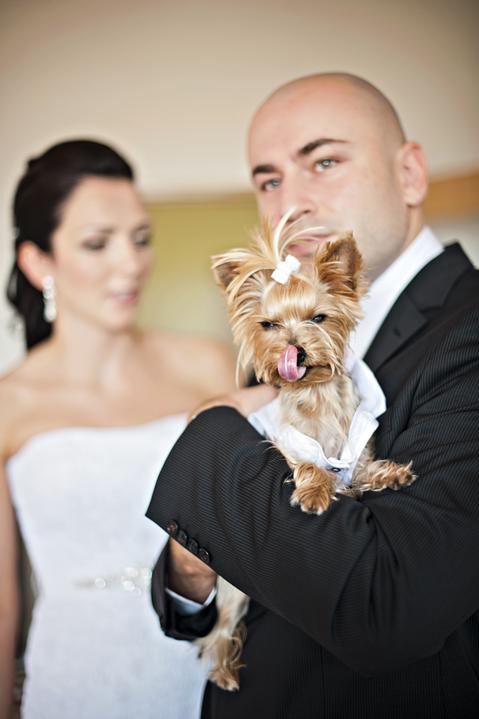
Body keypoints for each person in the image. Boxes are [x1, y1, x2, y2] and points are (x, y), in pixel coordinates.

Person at [146, 73, 479, 718]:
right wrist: (190, 569)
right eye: (268, 181)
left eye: (324, 162)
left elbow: (388, 608)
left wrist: (212, 431)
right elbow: (218, 581)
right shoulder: (283, 338)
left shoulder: (468, 331)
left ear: (410, 174)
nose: (290, 205)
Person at [0, 139, 236, 719]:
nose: (130, 264)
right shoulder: (10, 405)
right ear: (38, 262)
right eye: (97, 243)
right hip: (76, 678)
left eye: (141, 238)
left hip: (211, 662)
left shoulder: (209, 366)